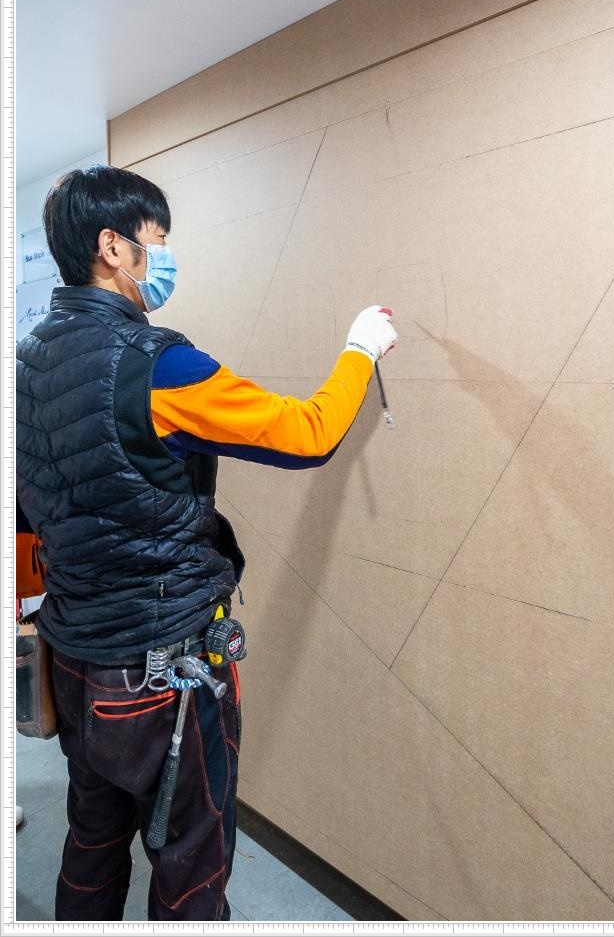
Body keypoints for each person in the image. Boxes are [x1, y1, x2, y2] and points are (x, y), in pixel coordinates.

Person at [15, 165, 398, 922]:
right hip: (162, 674)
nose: (164, 257)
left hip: (77, 660)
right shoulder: (157, 367)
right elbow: (307, 433)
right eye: (157, 240)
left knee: (91, 844)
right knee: (191, 860)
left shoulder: (24, 365)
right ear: (113, 248)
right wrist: (360, 349)